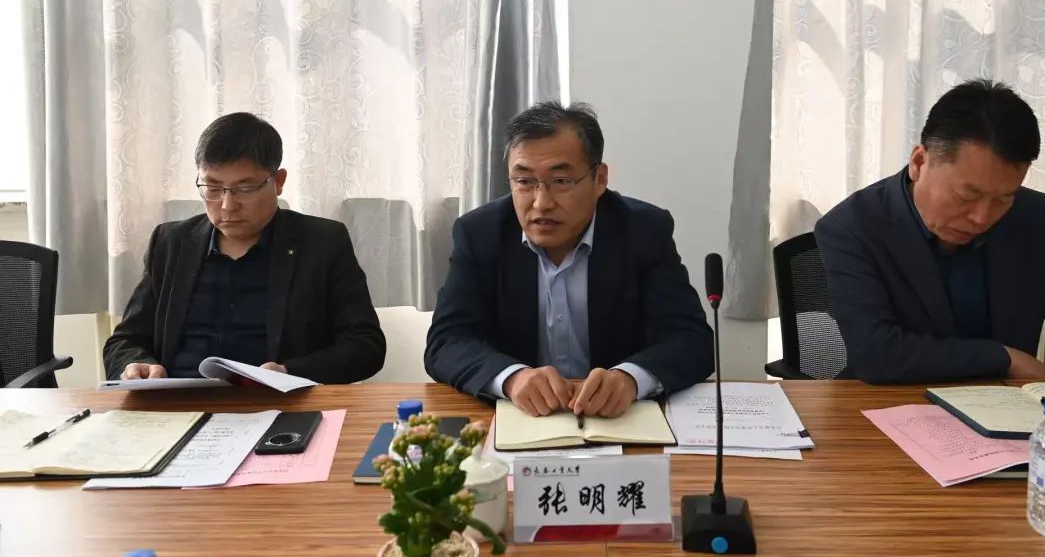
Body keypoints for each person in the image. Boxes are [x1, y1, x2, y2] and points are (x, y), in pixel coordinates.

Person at [424, 101, 714, 418]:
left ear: (599, 179)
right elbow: (447, 342)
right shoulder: (480, 234)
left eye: (561, 181)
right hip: (519, 420)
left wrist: (630, 379)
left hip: (619, 420)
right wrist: (512, 378)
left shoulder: (643, 231)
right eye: (524, 181)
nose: (541, 203)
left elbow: (691, 340)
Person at [816, 79, 1045, 384]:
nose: (981, 218)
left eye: (1003, 199)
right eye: (966, 196)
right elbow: (878, 354)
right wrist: (1002, 358)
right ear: (919, 162)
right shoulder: (852, 227)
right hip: (894, 401)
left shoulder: (1037, 217)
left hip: (1008, 403)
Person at [103, 112, 385, 384]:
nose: (227, 205)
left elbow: (365, 346)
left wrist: (290, 372)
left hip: (277, 404)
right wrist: (136, 364)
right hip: (178, 404)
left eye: (245, 188)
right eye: (213, 189)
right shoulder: (171, 243)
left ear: (278, 182)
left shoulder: (322, 242)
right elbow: (124, 342)